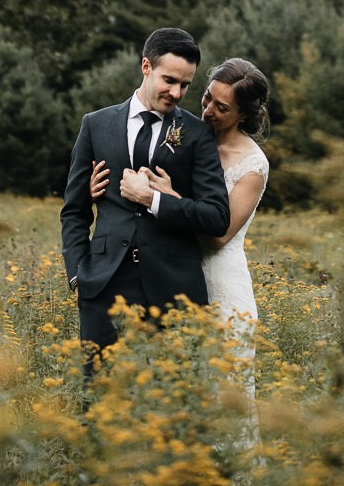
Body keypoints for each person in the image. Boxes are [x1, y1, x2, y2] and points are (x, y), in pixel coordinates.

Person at [96, 57, 271, 418]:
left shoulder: (252, 166)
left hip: (221, 285)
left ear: (242, 115)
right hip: (172, 278)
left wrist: (169, 199)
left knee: (223, 401)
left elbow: (218, 236)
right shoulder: (185, 136)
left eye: (221, 108)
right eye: (207, 98)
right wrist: (95, 187)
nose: (207, 111)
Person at [59, 27, 230, 364]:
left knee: (170, 403)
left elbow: (216, 217)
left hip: (174, 290)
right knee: (98, 399)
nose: (177, 92)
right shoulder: (96, 124)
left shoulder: (196, 134)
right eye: (169, 80)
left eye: (185, 85)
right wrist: (78, 275)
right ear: (146, 67)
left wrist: (155, 200)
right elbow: (74, 211)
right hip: (103, 284)